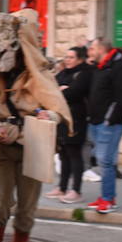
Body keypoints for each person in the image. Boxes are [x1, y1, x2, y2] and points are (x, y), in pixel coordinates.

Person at [0, 9, 70, 242]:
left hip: (35, 144)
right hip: (4, 145)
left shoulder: (41, 76)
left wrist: (47, 116)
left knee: (27, 206)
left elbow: (58, 109)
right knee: (1, 202)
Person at [86, 36, 122, 215]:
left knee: (106, 162)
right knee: (104, 161)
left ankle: (108, 200)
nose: (90, 52)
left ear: (101, 49)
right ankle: (106, 197)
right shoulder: (100, 66)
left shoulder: (117, 67)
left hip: (110, 124)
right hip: (97, 121)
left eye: (93, 49)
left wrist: (108, 119)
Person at [51, 46, 94, 204]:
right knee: (63, 153)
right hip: (63, 119)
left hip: (77, 119)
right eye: (66, 57)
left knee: (74, 154)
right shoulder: (65, 73)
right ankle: (62, 187)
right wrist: (61, 89)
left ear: (80, 59)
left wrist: (62, 90)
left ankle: (76, 190)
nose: (67, 60)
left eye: (71, 57)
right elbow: (52, 88)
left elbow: (74, 93)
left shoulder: (84, 73)